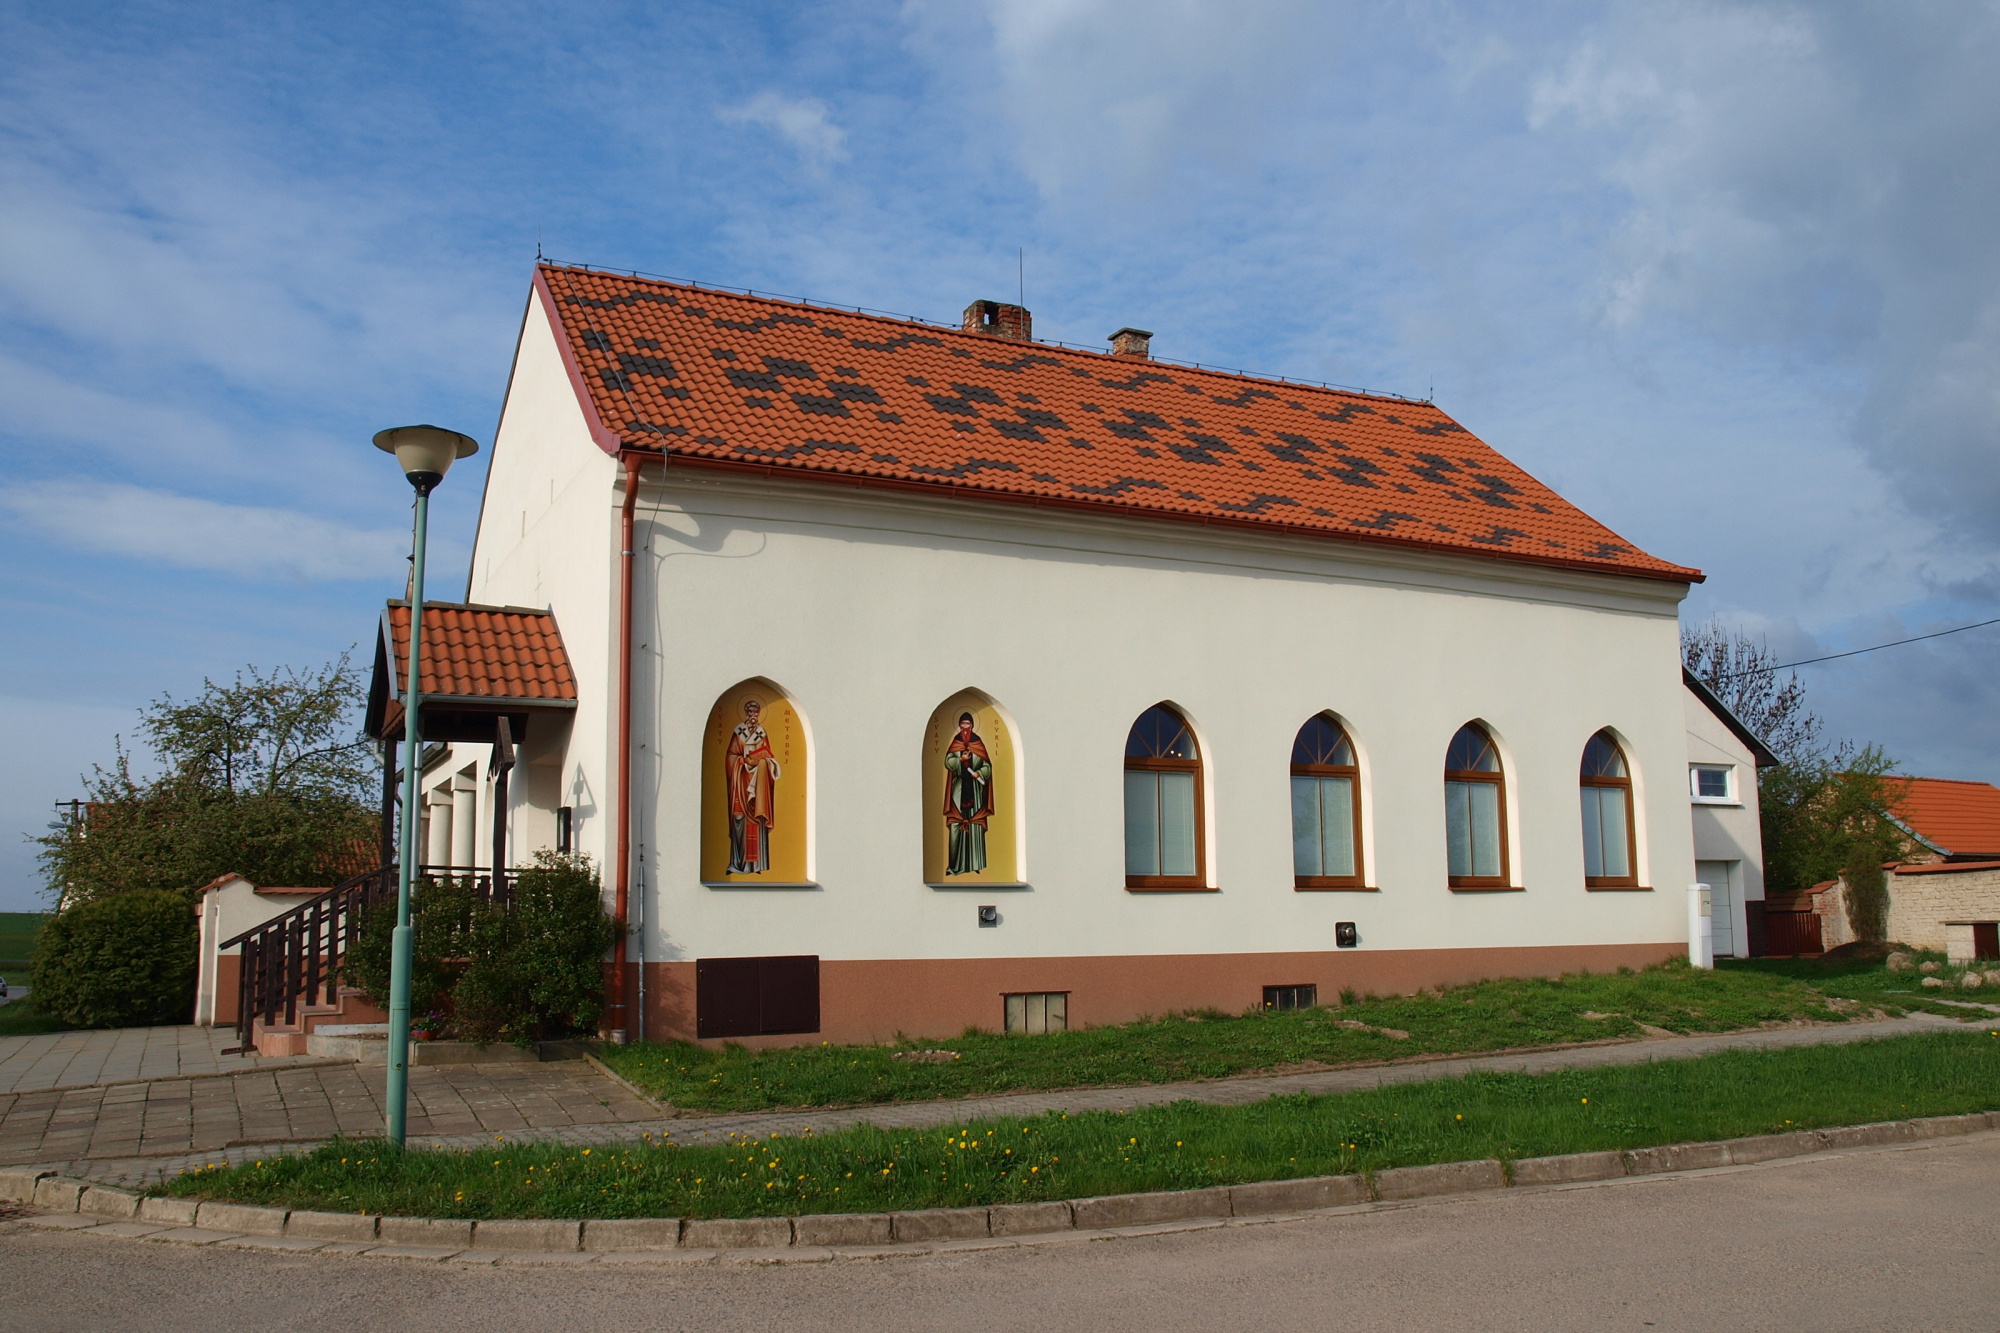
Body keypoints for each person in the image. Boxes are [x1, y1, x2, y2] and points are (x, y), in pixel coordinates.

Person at [725, 700, 780, 873]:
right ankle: (737, 863)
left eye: (756, 712)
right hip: (740, 782)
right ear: (746, 713)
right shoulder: (738, 732)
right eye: (750, 712)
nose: (753, 716)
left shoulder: (762, 734)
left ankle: (756, 865)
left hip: (757, 785)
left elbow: (769, 756)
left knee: (756, 822)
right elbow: (730, 756)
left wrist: (762, 761)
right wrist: (742, 761)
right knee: (739, 819)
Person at [942, 712, 994, 875]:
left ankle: (974, 863)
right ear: (959, 726)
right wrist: (960, 760)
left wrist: (979, 774)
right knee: (957, 825)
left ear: (972, 726)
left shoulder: (977, 743)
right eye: (963, 725)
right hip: (958, 790)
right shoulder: (956, 742)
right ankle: (955, 866)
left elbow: (987, 766)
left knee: (974, 825)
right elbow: (948, 761)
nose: (966, 728)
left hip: (974, 791)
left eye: (968, 725)